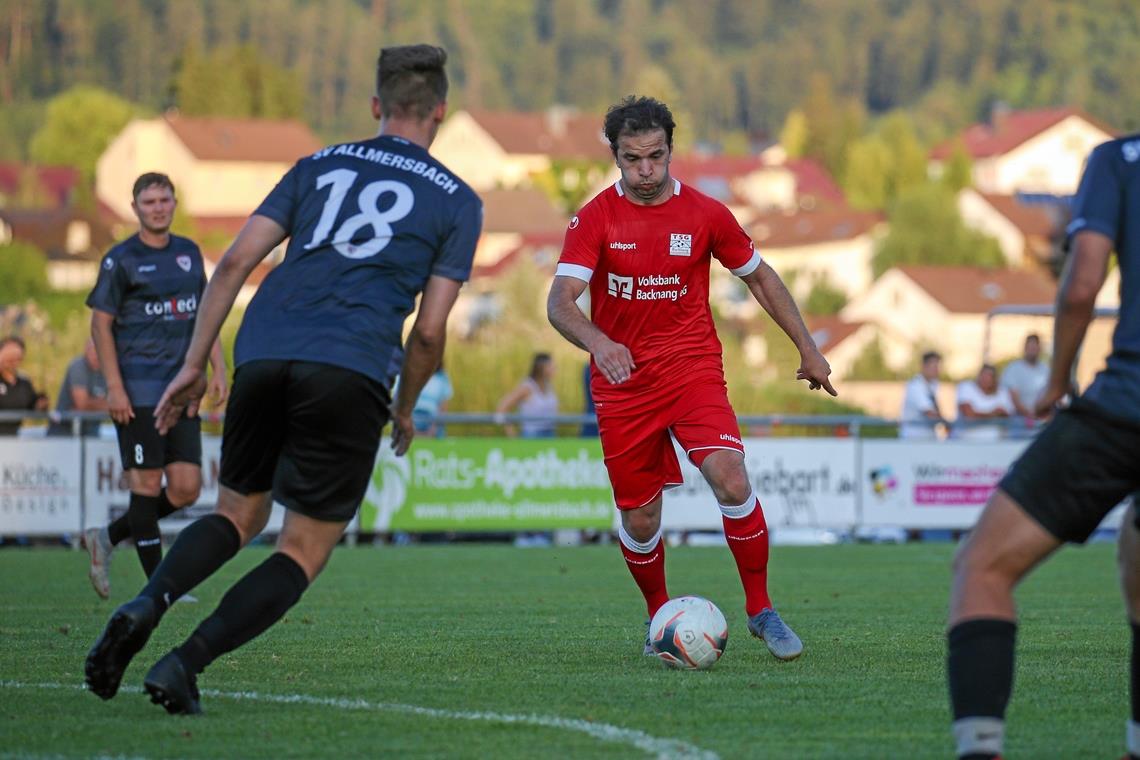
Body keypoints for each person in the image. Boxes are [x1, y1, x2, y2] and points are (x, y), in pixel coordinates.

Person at [85, 44, 480, 715]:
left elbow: (238, 260)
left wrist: (192, 364)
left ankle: (147, 601)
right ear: (440, 111)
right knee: (302, 546)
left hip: (264, 345)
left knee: (235, 513)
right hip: (350, 363)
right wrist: (405, 408)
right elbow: (432, 331)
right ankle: (185, 663)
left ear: (376, 106)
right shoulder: (457, 200)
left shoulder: (318, 164)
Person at [546, 96, 835, 662]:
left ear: (671, 150)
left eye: (656, 156)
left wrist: (808, 347)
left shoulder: (706, 213)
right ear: (616, 157)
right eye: (633, 160)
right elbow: (559, 303)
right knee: (641, 515)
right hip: (623, 383)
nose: (646, 170)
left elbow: (761, 277)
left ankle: (761, 609)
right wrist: (600, 342)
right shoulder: (596, 219)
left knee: (730, 476)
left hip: (691, 369)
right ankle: (660, 616)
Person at [947, 134, 1140, 760]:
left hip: (1126, 407)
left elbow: (1082, 283)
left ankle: (980, 749)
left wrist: (1058, 378)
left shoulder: (1121, 160)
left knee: (983, 566)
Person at [81, 172, 228, 601]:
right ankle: (160, 588)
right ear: (135, 209)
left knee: (186, 489)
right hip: (140, 391)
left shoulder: (188, 253)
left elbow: (206, 314)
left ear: (174, 203)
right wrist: (114, 386)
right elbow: (100, 324)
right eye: (149, 202)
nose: (158, 207)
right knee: (145, 487)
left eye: (165, 199)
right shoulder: (120, 259)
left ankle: (106, 537)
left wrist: (218, 368)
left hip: (183, 391)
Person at [48, 338, 108, 437]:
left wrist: (91, 404)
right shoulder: (78, 366)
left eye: (100, 351)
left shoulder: (107, 370)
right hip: (63, 433)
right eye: (93, 351)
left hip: (91, 432)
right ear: (85, 351)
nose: (96, 355)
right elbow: (82, 404)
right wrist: (106, 404)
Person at [495, 352, 558, 438]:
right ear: (541, 368)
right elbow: (502, 407)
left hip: (550, 433)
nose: (554, 369)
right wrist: (511, 433)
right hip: (532, 435)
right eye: (551, 366)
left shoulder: (548, 386)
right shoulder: (527, 387)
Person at [0, 336, 48, 435]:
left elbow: (32, 406)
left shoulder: (24, 382)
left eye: (17, 356)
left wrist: (40, 405)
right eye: (9, 354)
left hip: (15, 439)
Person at [954, 364, 1014, 441]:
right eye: (983, 375)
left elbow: (1009, 415)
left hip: (997, 442)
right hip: (967, 441)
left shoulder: (1002, 392)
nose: (985, 379)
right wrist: (993, 414)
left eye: (989, 376)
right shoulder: (966, 387)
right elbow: (969, 414)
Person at [1000, 333, 1050, 418]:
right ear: (1025, 348)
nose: (1033, 350)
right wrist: (1028, 413)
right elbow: (1013, 396)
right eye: (1030, 347)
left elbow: (1049, 393)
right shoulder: (1013, 369)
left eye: (1035, 347)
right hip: (1017, 417)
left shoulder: (1046, 369)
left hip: (1040, 416)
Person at [900, 351, 945, 440]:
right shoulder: (915, 386)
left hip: (927, 437)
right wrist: (948, 424)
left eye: (938, 367)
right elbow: (929, 413)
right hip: (914, 438)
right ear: (923, 366)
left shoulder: (933, 384)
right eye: (934, 366)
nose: (937, 370)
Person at [411, 361, 452, 437]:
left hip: (433, 422)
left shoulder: (442, 377)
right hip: (412, 420)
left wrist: (434, 428)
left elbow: (443, 406)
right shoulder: (408, 374)